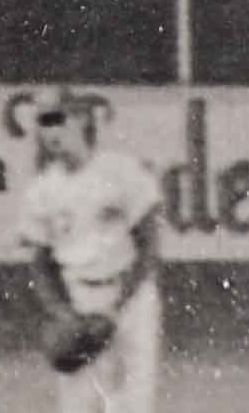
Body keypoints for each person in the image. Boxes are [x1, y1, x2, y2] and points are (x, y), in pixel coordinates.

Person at [16, 90, 162, 413]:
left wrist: (116, 308)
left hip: (131, 300)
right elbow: (40, 265)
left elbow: (150, 246)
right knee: (79, 406)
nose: (51, 132)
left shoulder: (122, 171)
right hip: (80, 299)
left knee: (134, 405)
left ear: (81, 118)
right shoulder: (42, 191)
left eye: (58, 119)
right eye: (43, 123)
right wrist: (62, 312)